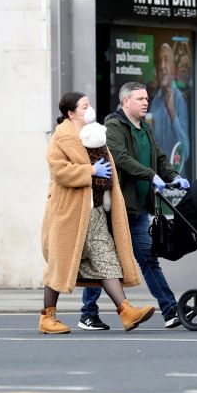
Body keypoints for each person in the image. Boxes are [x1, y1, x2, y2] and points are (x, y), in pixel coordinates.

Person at [38, 92, 155, 334]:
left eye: (89, 104)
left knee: (107, 260)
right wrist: (89, 170)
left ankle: (125, 310)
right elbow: (60, 171)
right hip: (70, 213)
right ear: (71, 113)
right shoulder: (62, 137)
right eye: (84, 105)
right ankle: (47, 317)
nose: (89, 108)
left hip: (97, 212)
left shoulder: (95, 134)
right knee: (60, 265)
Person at [79, 82, 189, 330]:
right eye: (139, 99)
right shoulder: (114, 126)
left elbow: (160, 157)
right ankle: (88, 313)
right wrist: (151, 176)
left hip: (138, 210)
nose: (145, 102)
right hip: (117, 209)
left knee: (149, 260)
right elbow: (119, 157)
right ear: (125, 101)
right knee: (105, 262)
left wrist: (173, 176)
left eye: (146, 99)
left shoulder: (144, 129)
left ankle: (171, 310)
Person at [149, 43, 191, 173]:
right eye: (159, 61)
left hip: (176, 184)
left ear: (173, 69)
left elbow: (186, 152)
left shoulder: (179, 99)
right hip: (157, 181)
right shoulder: (155, 102)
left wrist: (172, 113)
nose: (162, 66)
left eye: (166, 60)